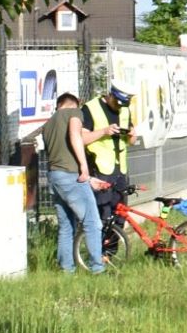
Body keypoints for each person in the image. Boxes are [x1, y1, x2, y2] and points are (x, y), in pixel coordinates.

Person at [44, 93, 104, 274]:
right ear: (74, 104)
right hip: (71, 176)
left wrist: (89, 179)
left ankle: (66, 270)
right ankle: (97, 268)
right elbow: (74, 135)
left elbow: (61, 155)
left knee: (66, 226)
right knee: (92, 223)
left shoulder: (48, 124)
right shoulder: (74, 113)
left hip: (55, 177)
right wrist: (84, 169)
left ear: (58, 106)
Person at [82, 80, 138, 227]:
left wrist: (132, 134)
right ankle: (99, 249)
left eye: (123, 105)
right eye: (117, 103)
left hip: (121, 170)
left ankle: (112, 250)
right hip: (101, 170)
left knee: (120, 214)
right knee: (103, 214)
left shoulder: (125, 110)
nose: (119, 107)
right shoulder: (90, 108)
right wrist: (104, 131)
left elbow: (131, 141)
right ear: (111, 95)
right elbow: (81, 139)